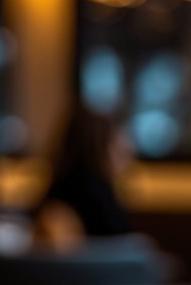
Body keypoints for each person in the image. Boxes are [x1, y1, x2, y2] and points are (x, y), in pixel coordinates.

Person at [33, 104, 132, 251]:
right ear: (101, 148)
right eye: (117, 148)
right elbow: (121, 246)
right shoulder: (97, 194)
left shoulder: (57, 187)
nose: (126, 156)